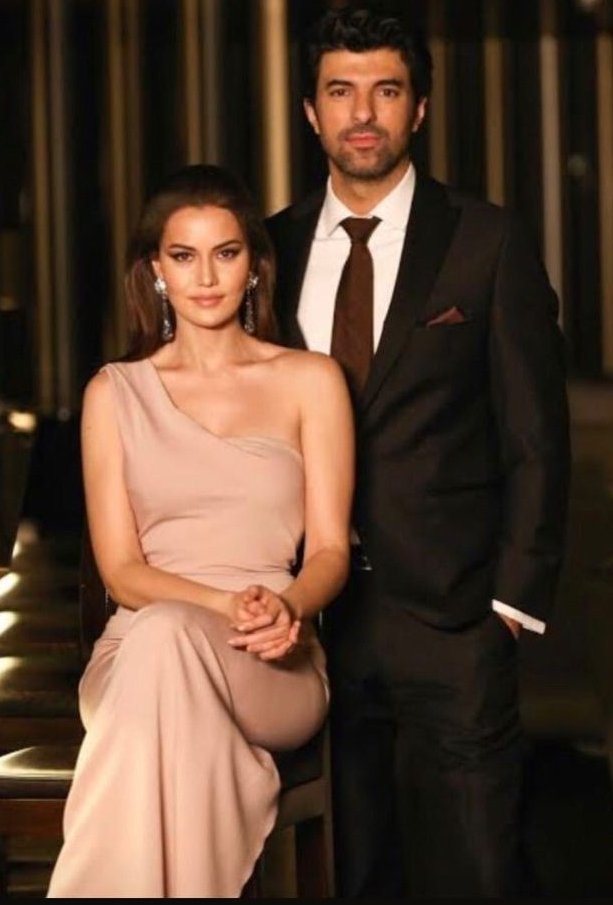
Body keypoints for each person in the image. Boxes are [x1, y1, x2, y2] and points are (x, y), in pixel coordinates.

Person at [265, 4, 571, 898]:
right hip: (308, 630)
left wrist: (507, 607)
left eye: (386, 90)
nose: (363, 113)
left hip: (454, 621)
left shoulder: (486, 241)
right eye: (340, 91)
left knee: (477, 872)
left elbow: (536, 437)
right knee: (347, 876)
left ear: (420, 108)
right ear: (310, 111)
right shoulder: (270, 250)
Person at [46, 163, 354, 898]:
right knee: (163, 639)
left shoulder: (311, 380)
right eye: (183, 256)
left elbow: (331, 549)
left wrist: (286, 607)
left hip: (269, 657)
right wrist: (220, 605)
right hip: (139, 651)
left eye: (226, 253)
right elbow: (122, 572)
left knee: (164, 657)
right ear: (156, 269)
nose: (206, 277)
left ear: (254, 266)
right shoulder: (114, 393)